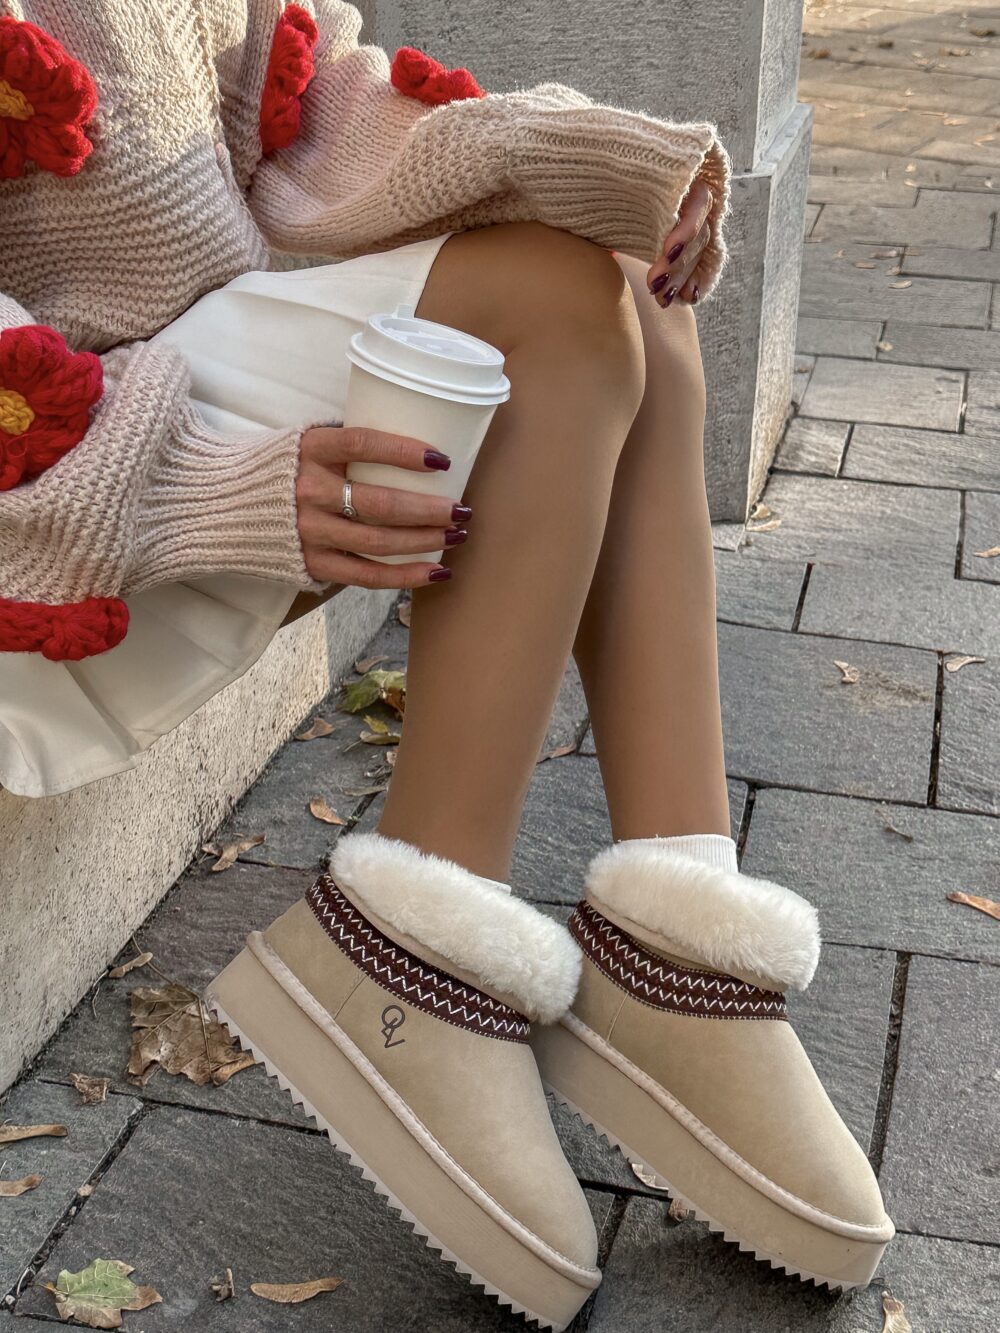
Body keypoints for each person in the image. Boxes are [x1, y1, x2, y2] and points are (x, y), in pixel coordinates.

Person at [0, 2, 893, 1325]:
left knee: (628, 285)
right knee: (545, 303)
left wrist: (598, 165)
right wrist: (197, 481)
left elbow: (312, 108)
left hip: (152, 389)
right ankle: (409, 942)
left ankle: (680, 940)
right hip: (53, 516)